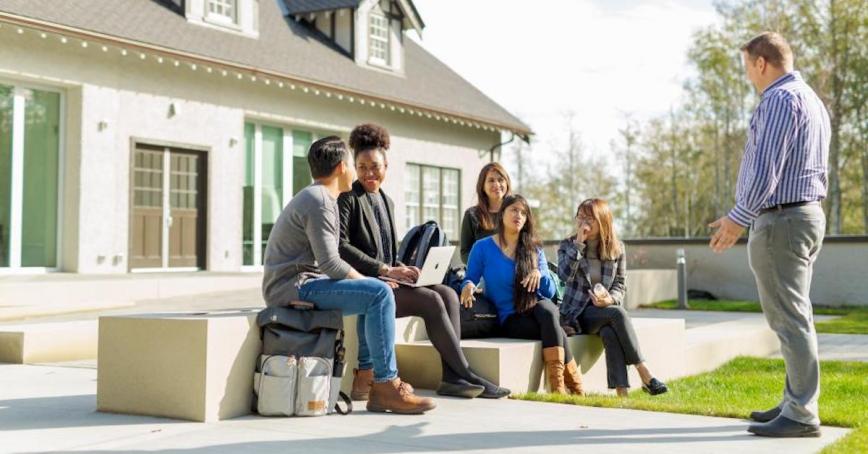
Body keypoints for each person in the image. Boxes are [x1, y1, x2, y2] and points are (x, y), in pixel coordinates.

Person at [708, 32, 830, 438]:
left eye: (747, 67)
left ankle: (800, 413)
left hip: (782, 221)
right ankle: (794, 400)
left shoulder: (778, 100)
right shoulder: (811, 99)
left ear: (762, 63)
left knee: (789, 320)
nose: (747, 76)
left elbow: (766, 169)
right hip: (806, 217)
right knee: (796, 315)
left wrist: (737, 218)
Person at [262, 135, 435, 414]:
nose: (357, 172)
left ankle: (373, 383)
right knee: (378, 292)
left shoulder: (322, 197)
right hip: (293, 287)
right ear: (343, 167)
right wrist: (372, 280)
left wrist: (371, 280)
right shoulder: (318, 199)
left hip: (304, 282)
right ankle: (386, 385)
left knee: (374, 292)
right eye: (354, 166)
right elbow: (331, 263)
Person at [338, 124, 509, 400]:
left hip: (389, 279)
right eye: (362, 167)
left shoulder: (386, 201)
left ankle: (452, 377)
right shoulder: (348, 198)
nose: (369, 173)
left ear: (386, 165)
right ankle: (465, 372)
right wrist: (384, 270)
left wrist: (403, 269)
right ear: (354, 167)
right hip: (367, 285)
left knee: (446, 293)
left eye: (375, 166)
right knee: (431, 300)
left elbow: (385, 250)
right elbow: (341, 247)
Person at [460, 194, 583, 395]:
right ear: (502, 215)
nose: (519, 215)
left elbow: (550, 292)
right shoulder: (482, 248)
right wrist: (467, 286)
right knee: (556, 330)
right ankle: (573, 387)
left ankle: (560, 387)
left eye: (523, 212)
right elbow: (470, 278)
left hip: (536, 311)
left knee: (548, 309)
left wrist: (539, 272)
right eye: (514, 210)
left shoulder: (534, 248)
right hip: (509, 318)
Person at [558, 198, 668, 397]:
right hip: (576, 314)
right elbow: (564, 276)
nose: (583, 222)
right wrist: (579, 245)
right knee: (617, 314)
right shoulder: (568, 245)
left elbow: (620, 284)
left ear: (602, 221)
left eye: (589, 217)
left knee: (610, 331)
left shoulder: (617, 248)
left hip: (603, 312)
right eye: (580, 216)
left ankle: (622, 393)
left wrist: (610, 300)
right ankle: (645, 373)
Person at [460, 163, 512, 265]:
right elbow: (465, 252)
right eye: (491, 180)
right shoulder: (472, 215)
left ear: (507, 183)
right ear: (482, 186)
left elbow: (528, 245)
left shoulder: (516, 213)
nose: (497, 184)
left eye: (500, 180)